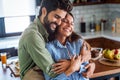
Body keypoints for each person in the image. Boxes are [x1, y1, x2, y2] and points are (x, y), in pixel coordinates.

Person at [18, 0, 73, 80]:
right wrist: (73, 64)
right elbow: (53, 71)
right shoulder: (32, 35)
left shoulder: (49, 27)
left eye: (62, 19)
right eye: (56, 17)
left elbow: (76, 39)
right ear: (44, 11)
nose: (59, 22)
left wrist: (85, 51)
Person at [44, 13, 95, 80]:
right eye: (65, 21)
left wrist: (71, 64)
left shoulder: (79, 42)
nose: (69, 25)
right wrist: (71, 69)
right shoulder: (49, 48)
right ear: (57, 23)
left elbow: (87, 70)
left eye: (72, 23)